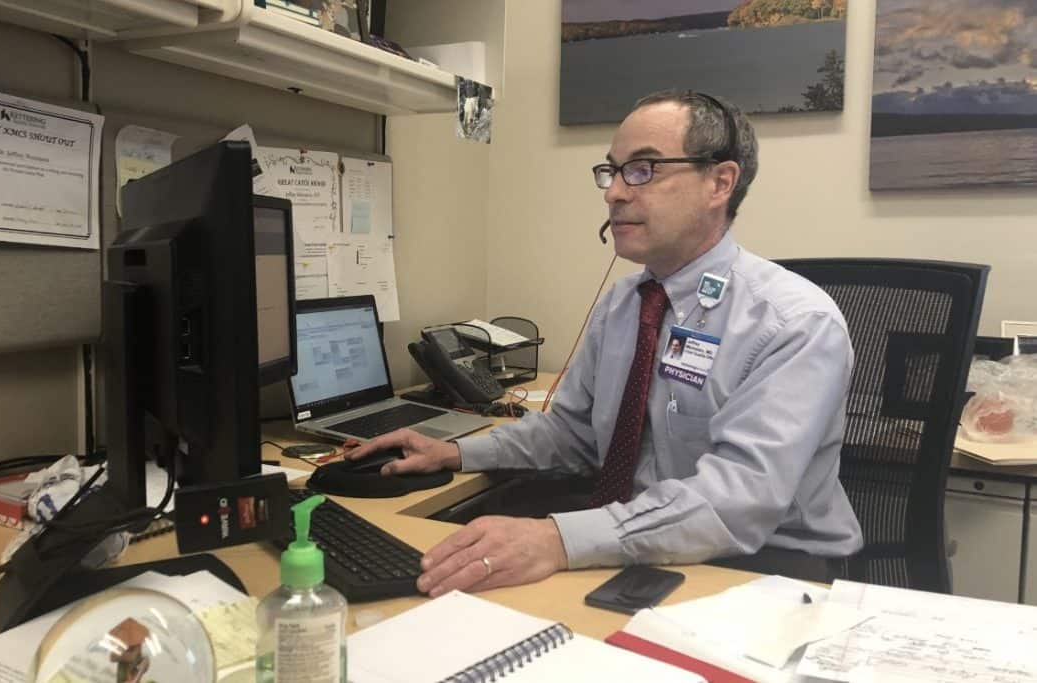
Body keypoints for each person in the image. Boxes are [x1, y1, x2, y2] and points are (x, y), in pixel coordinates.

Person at [345, 90, 863, 598]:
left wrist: (555, 538)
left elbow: (736, 503)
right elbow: (572, 434)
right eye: (611, 171)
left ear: (719, 183)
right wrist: (455, 453)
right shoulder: (625, 303)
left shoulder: (795, 323)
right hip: (641, 541)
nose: (614, 192)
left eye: (643, 169)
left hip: (766, 571)